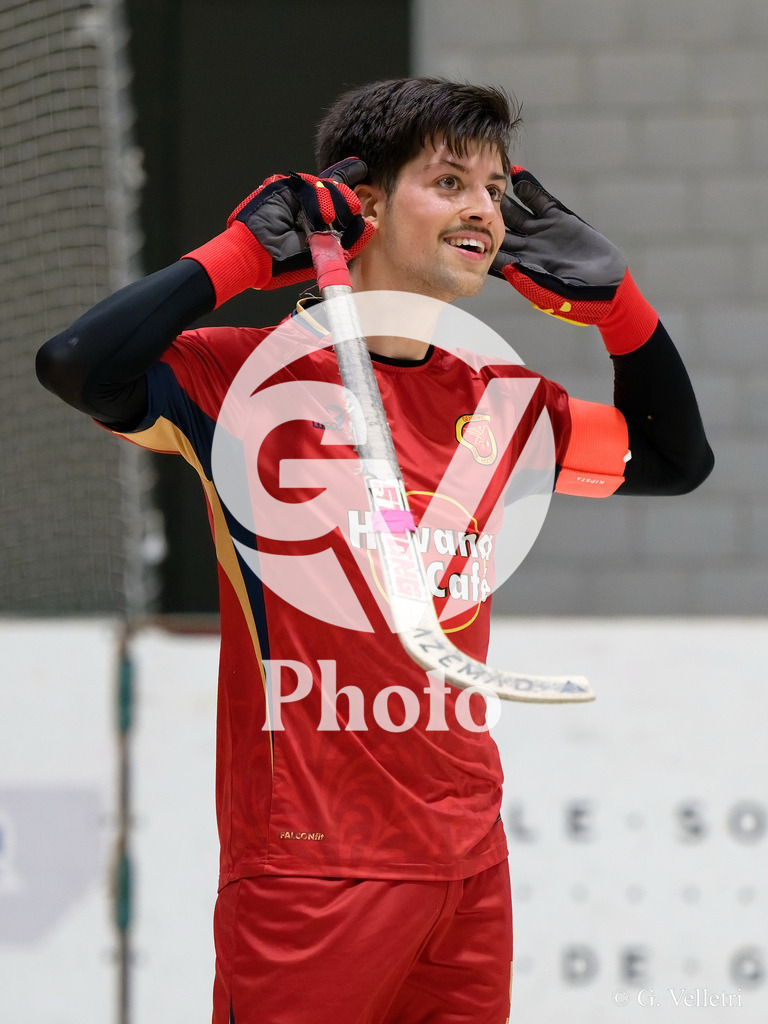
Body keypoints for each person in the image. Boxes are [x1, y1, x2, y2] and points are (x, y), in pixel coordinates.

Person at [37, 78, 713, 1024]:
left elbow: (677, 460)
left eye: (494, 186)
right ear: (362, 205)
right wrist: (242, 251)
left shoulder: (501, 401)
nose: (483, 208)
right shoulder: (242, 380)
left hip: (471, 871)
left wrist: (621, 308)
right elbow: (77, 364)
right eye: (449, 181)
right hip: (314, 870)